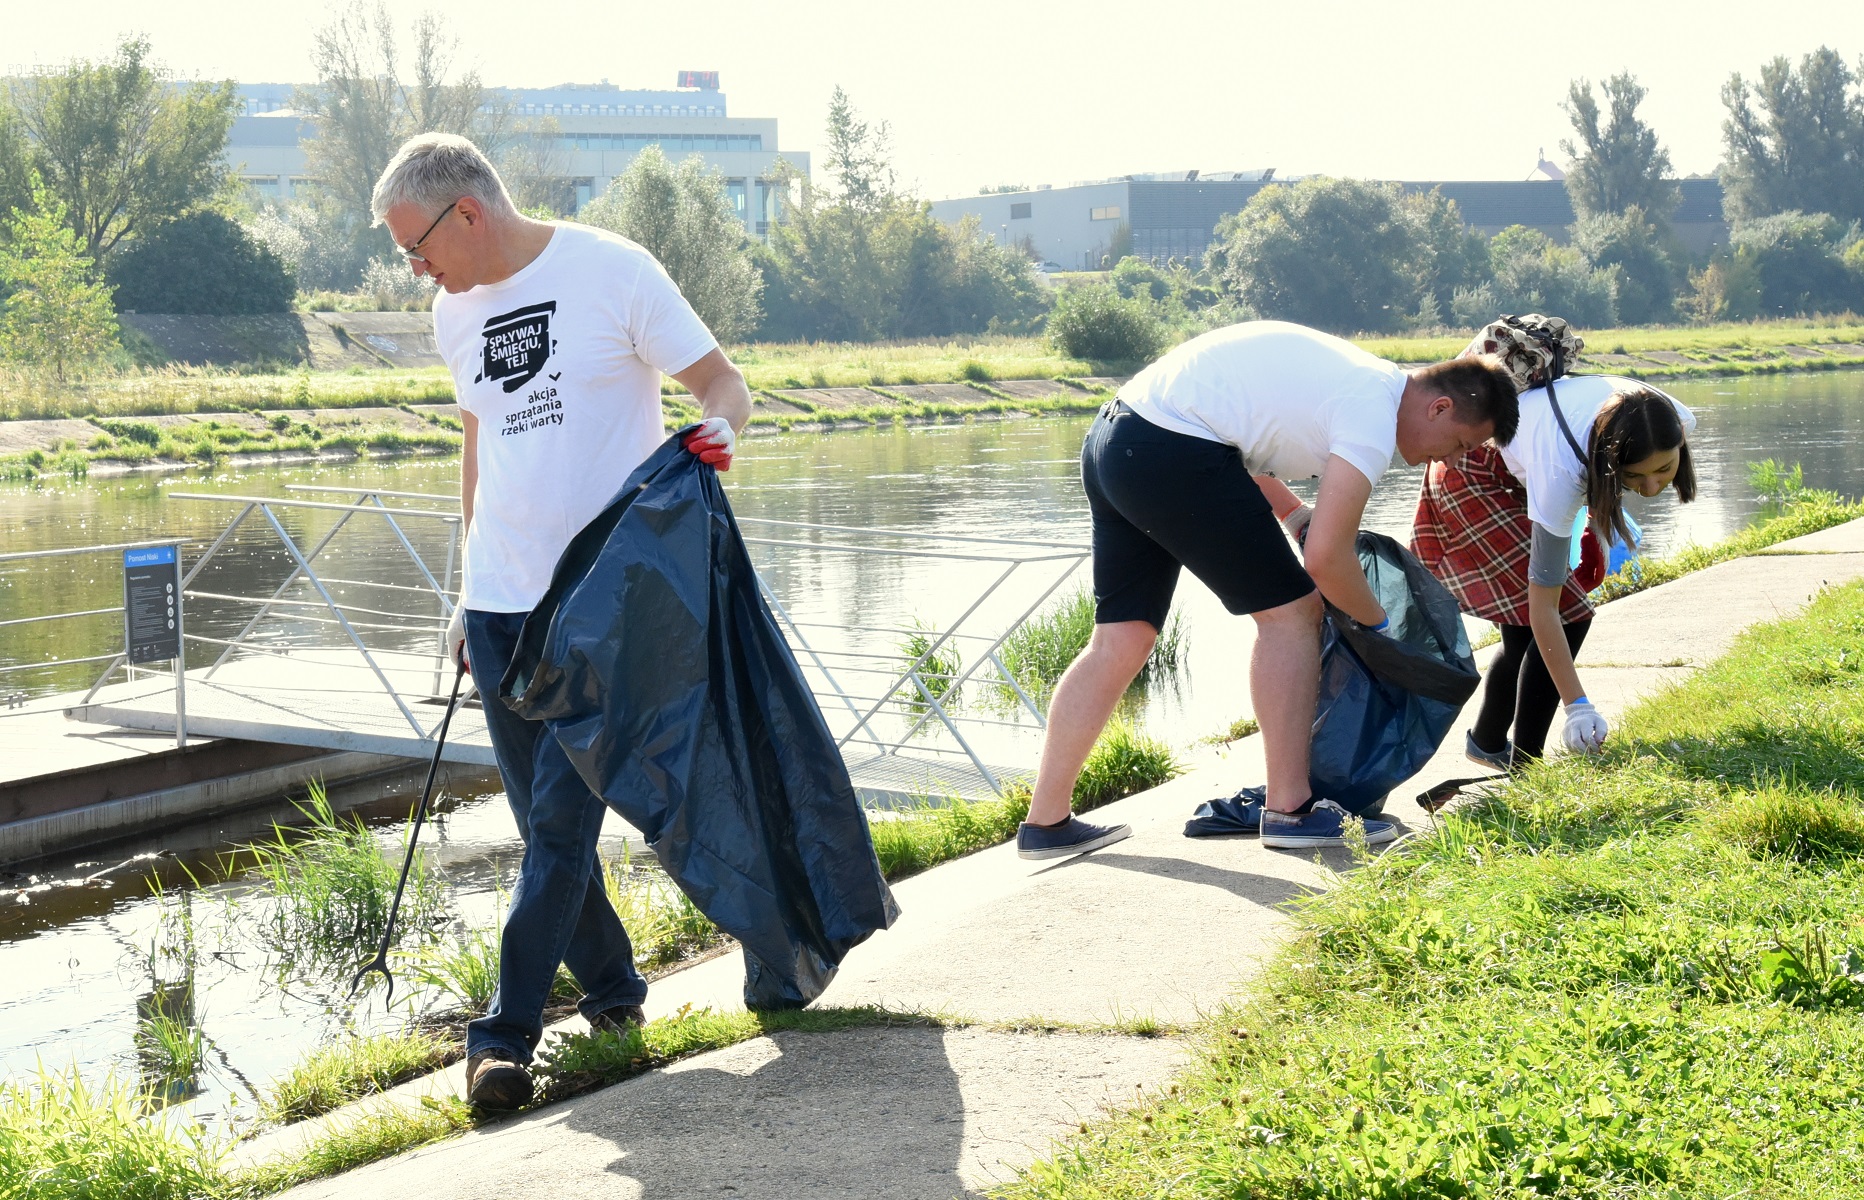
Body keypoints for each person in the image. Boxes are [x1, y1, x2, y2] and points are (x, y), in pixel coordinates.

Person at [371, 133, 750, 1110]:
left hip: (598, 611)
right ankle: (618, 996)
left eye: (415, 246)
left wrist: (697, 467)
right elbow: (479, 449)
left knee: (554, 828)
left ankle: (499, 1042)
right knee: (549, 830)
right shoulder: (451, 315)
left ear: (467, 212)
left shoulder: (612, 270)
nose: (414, 268)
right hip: (498, 608)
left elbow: (722, 387)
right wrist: (463, 594)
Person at [1018, 321, 1519, 858]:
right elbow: (1328, 560)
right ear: (1439, 408)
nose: (1452, 460)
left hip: (1115, 441)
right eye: (1463, 444)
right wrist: (1379, 631)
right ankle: (1290, 811)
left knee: (1122, 638)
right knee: (1294, 614)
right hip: (1168, 449)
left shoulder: (1359, 381)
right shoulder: (1373, 413)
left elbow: (1235, 439)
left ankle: (1046, 823)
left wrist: (1293, 513)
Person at [1413, 375, 1695, 769]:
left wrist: (1596, 526)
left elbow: (1597, 456)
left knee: (1523, 638)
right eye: (1633, 477)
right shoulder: (1559, 475)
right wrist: (1577, 706)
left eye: (1663, 469)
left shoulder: (1670, 418)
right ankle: (1526, 764)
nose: (1650, 487)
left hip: (1515, 460)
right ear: (1610, 461)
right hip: (1470, 471)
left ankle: (1488, 742)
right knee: (1568, 615)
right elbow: (1545, 608)